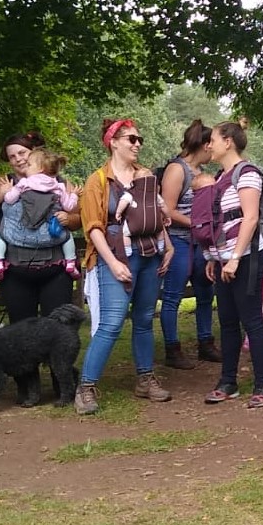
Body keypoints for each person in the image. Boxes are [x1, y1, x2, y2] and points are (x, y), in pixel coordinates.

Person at [74, 118, 175, 413]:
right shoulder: (98, 181)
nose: (137, 144)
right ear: (113, 142)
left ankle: (145, 379)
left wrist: (167, 246)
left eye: (139, 139)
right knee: (111, 322)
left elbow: (154, 214)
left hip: (150, 255)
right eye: (131, 139)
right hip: (117, 256)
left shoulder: (145, 176)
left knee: (144, 318)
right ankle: (86, 387)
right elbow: (93, 227)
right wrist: (113, 264)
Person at [0, 132, 81, 326]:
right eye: (12, 156)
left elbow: (79, 219)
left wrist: (68, 219)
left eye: (22, 153)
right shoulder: (3, 183)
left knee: (57, 326)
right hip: (16, 270)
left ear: (36, 154)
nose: (18, 159)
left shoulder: (60, 183)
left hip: (55, 267)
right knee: (21, 330)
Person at [202, 120, 263, 408]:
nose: (209, 145)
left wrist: (233, 259)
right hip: (224, 260)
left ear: (228, 141)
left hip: (246, 258)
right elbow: (219, 220)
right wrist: (214, 258)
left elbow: (250, 218)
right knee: (228, 322)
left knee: (252, 321)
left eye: (213, 140)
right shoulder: (221, 177)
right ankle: (228, 382)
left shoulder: (247, 174)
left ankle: (261, 386)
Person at [158, 120, 219, 368]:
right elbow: (168, 211)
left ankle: (206, 343)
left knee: (206, 293)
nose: (214, 150)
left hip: (201, 243)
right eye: (212, 144)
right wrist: (195, 223)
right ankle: (172, 349)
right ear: (204, 145)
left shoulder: (203, 174)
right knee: (173, 296)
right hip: (180, 240)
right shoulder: (177, 170)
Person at [0, 147, 79, 277]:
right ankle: (70, 262)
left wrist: (8, 191)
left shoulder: (24, 183)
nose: (26, 167)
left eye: (29, 165)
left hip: (22, 236)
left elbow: (10, 199)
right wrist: (74, 195)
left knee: (0, 235)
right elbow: (69, 206)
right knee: (67, 237)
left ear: (40, 168)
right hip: (51, 235)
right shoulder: (58, 186)